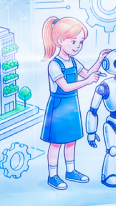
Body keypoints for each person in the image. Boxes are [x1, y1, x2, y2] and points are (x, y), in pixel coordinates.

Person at [40, 16, 105, 190]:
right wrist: (88, 82)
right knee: (56, 143)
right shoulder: (54, 65)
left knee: (71, 141)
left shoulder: (74, 61)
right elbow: (66, 86)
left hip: (71, 106)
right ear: (61, 41)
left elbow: (87, 73)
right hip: (58, 106)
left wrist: (99, 60)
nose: (78, 46)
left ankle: (70, 171)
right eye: (74, 41)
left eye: (81, 42)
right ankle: (53, 175)